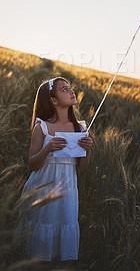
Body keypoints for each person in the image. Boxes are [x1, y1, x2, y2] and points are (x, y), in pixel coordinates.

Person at [17, 76, 93, 270]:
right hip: (42, 191)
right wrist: (47, 148)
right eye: (64, 89)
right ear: (53, 100)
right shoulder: (42, 127)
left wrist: (88, 149)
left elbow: (81, 169)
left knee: (60, 249)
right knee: (40, 254)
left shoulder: (80, 128)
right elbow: (32, 164)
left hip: (66, 193)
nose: (71, 91)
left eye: (70, 88)